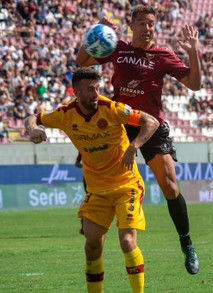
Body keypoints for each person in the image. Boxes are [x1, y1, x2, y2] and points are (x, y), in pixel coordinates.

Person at [75, 5, 201, 274]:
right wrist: (97, 32)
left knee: (170, 187)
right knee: (92, 159)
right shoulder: (118, 49)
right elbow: (82, 61)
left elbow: (194, 83)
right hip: (120, 124)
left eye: (151, 23)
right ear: (132, 26)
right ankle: (90, 216)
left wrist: (193, 53)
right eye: (142, 23)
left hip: (151, 125)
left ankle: (186, 242)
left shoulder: (163, 55)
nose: (147, 28)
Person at [24, 67, 160, 293]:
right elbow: (32, 118)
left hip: (127, 184)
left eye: (98, 88)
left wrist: (132, 148)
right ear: (76, 91)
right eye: (90, 89)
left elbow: (151, 122)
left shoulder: (113, 109)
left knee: (127, 241)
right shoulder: (65, 114)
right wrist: (33, 129)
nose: (96, 93)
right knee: (92, 247)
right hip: (97, 191)